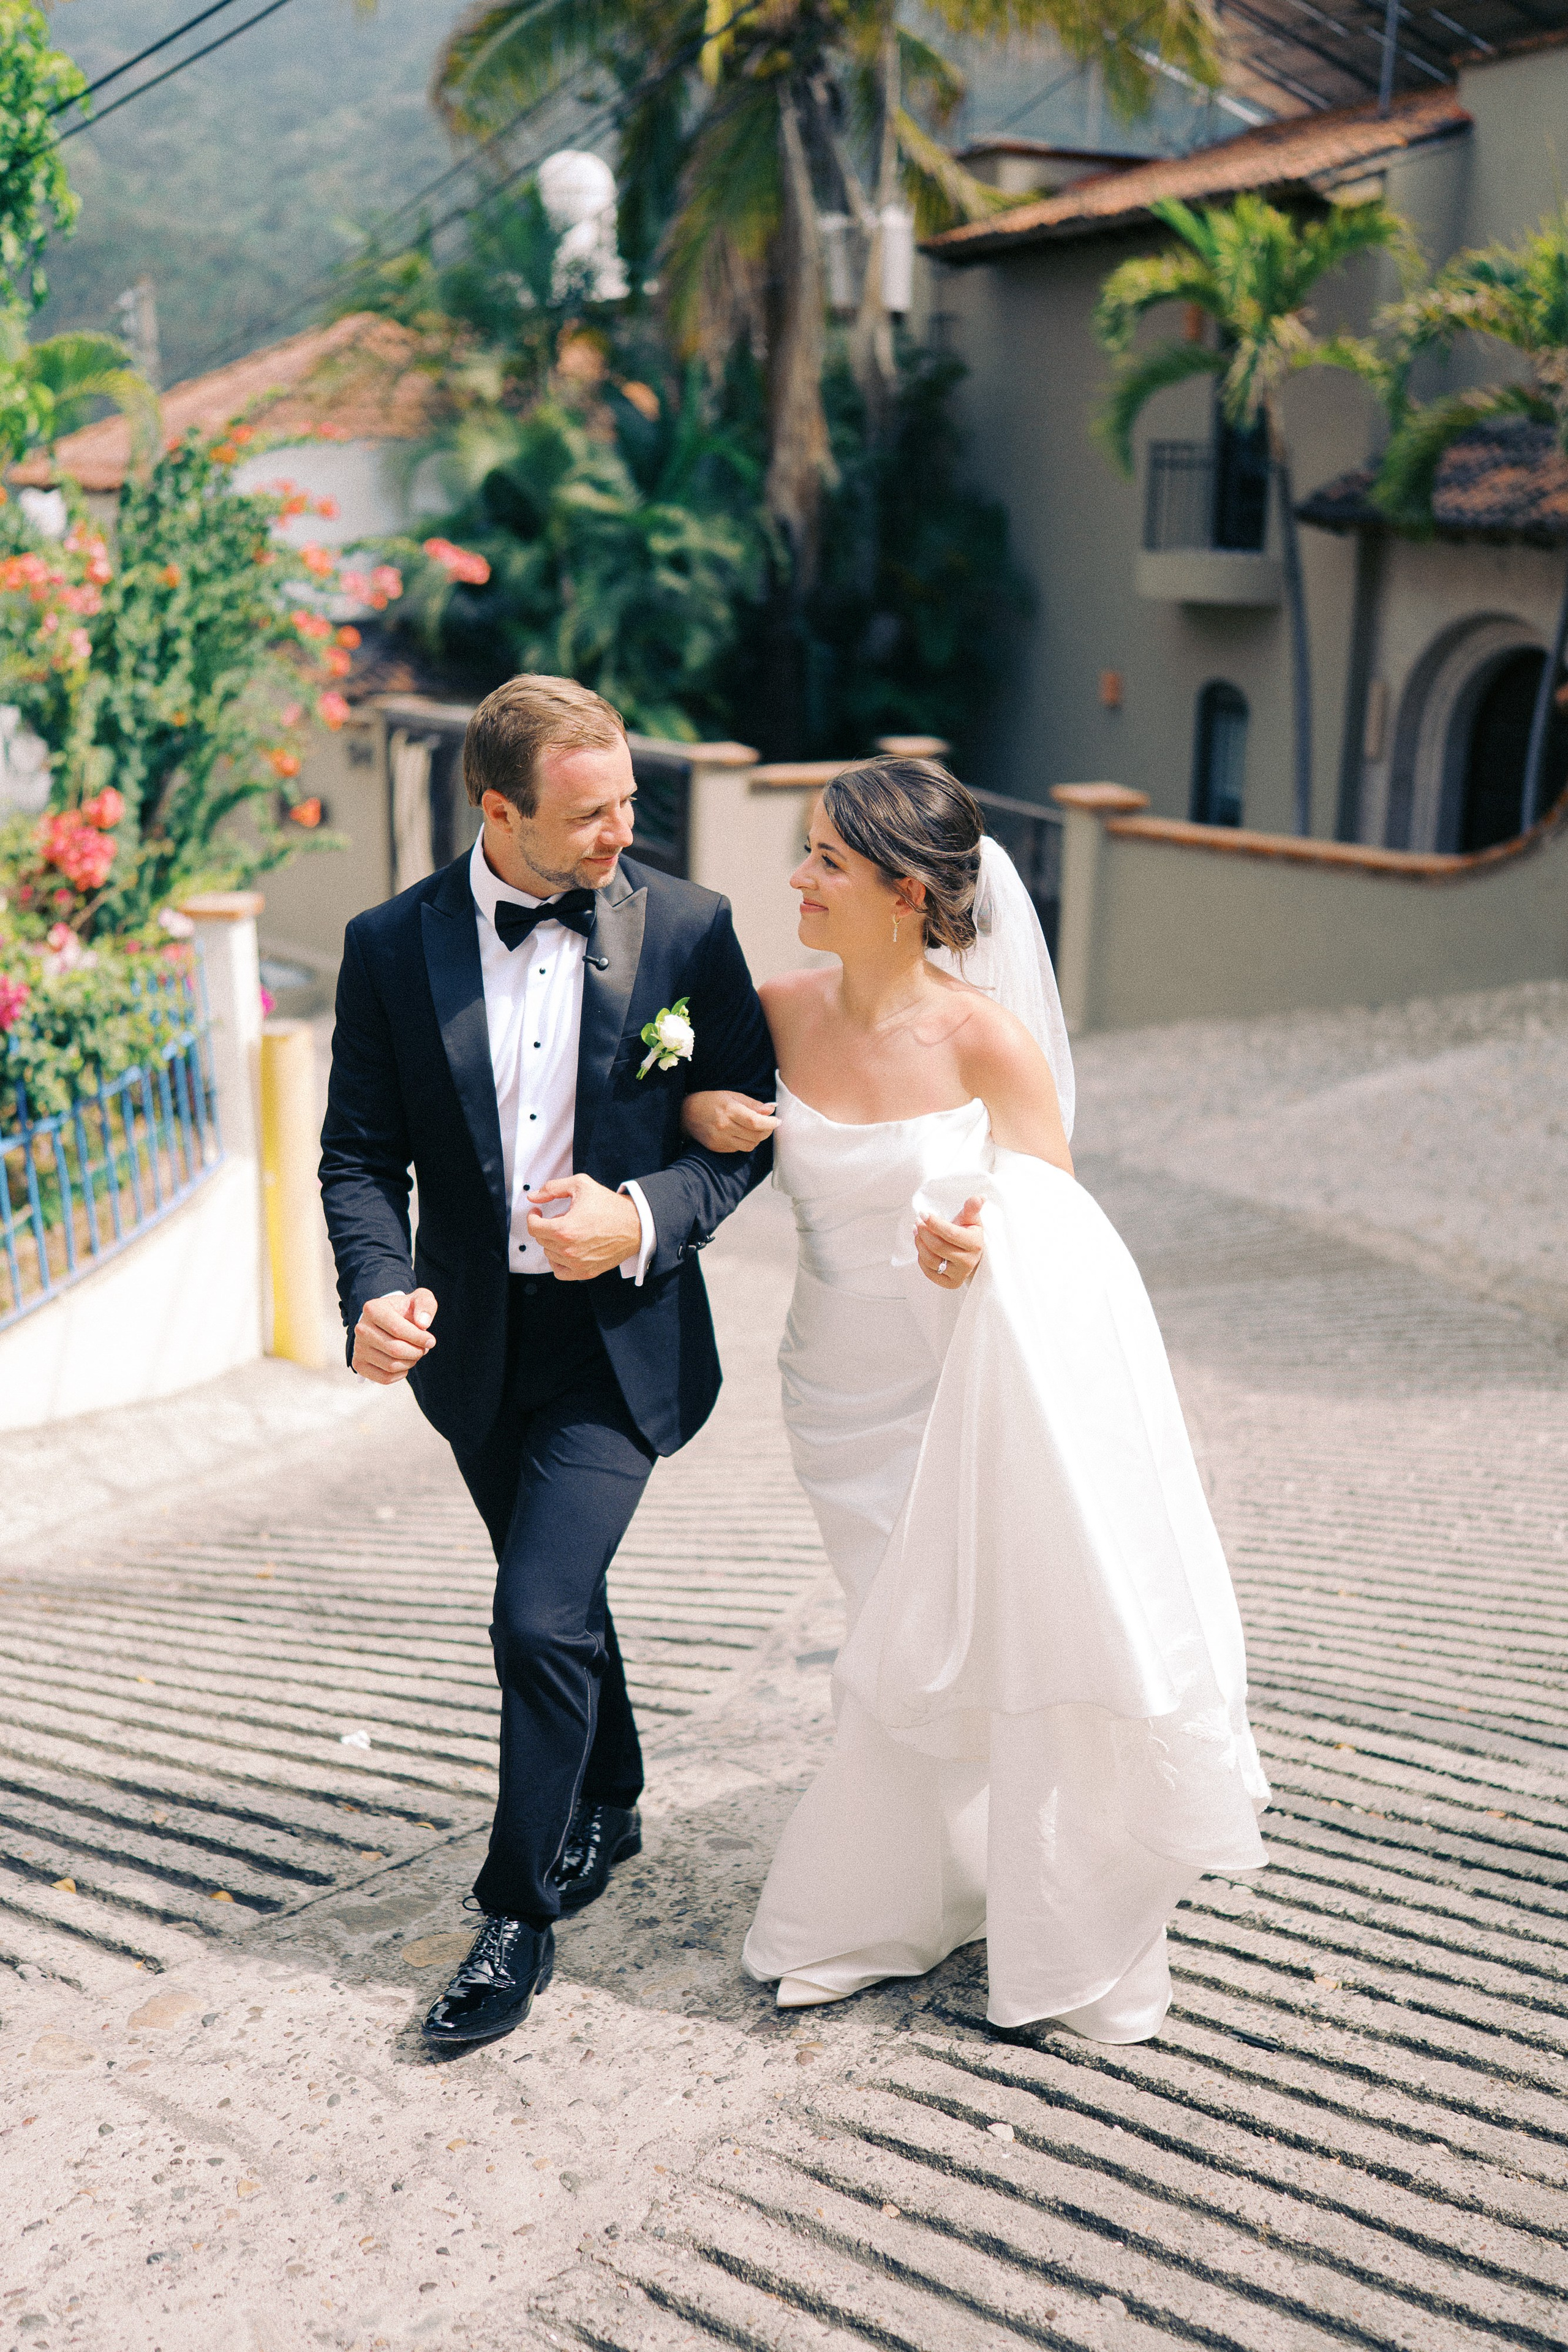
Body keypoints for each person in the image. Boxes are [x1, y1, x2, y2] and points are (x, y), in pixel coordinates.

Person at [681, 756, 1268, 2042]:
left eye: (825, 862)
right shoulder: (774, 1009)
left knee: (950, 1647)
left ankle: (998, 1915)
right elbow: (683, 1127)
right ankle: (920, 1892)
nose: (796, 879)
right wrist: (700, 1102)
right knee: (894, 1638)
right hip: (830, 1390)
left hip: (961, 1391)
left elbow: (1055, 1215)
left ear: (904, 892)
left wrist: (981, 1232)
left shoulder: (984, 1036)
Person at [319, 674, 774, 2049]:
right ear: (497, 808)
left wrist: (640, 1218)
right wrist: (376, 1288)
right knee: (557, 1601)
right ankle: (612, 1798)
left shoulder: (687, 928)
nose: (620, 834)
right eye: (589, 813)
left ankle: (514, 1913)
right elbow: (357, 1154)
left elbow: (747, 1137)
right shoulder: (388, 945)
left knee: (531, 1617)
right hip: (474, 1357)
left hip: (616, 1351)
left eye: (630, 800)